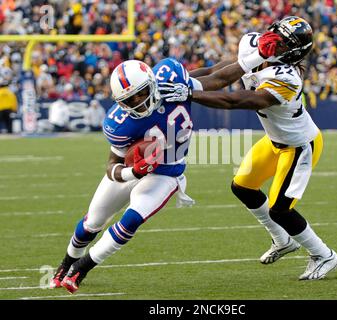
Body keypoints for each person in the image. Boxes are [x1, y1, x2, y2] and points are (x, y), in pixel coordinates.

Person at [50, 51, 263, 293]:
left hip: (167, 173)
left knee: (130, 220)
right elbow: (111, 167)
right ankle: (66, 262)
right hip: (136, 169)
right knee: (92, 222)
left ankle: (82, 268)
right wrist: (133, 172)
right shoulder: (119, 123)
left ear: (151, 84)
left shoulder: (172, 83)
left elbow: (216, 77)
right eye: (129, 100)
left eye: (140, 94)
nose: (137, 102)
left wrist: (256, 57)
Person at [160, 16, 337, 281]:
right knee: (242, 186)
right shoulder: (253, 44)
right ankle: (283, 241)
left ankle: (324, 255)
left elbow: (237, 101)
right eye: (275, 32)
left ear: (293, 52)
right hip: (273, 140)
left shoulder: (288, 78)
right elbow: (219, 72)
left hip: (299, 146)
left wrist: (190, 94)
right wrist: (183, 80)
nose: (272, 40)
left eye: (282, 41)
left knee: (281, 209)